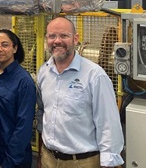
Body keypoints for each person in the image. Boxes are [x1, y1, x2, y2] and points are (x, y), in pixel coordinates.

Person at [36, 17, 124, 168]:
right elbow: (44, 112)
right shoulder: (44, 71)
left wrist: (109, 161)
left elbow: (108, 123)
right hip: (48, 159)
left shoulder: (95, 76)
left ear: (75, 39)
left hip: (83, 162)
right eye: (52, 36)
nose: (57, 41)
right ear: (46, 39)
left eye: (64, 36)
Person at [0, 29, 36, 168]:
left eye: (4, 45)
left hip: (13, 157)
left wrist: (10, 161)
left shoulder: (24, 81)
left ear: (15, 48)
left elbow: (24, 125)